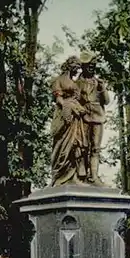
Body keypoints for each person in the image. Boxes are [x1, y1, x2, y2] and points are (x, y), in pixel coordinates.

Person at [50, 56, 88, 186]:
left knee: (75, 144)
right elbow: (58, 99)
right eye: (76, 67)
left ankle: (74, 176)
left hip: (75, 117)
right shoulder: (58, 80)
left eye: (78, 67)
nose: (78, 70)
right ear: (69, 66)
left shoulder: (75, 83)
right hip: (63, 115)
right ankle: (59, 176)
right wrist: (67, 105)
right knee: (62, 144)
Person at [77, 51, 110, 186]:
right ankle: (82, 176)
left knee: (95, 148)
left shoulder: (99, 82)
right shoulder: (77, 83)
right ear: (83, 66)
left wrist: (102, 89)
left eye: (93, 65)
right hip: (83, 117)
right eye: (89, 65)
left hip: (97, 117)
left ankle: (94, 177)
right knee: (83, 147)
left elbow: (106, 101)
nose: (91, 67)